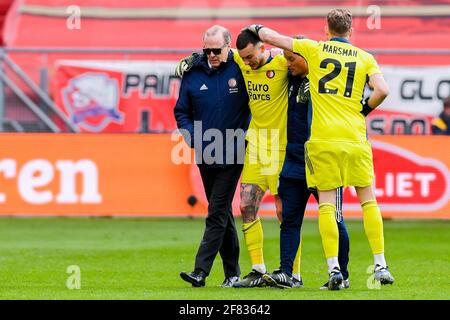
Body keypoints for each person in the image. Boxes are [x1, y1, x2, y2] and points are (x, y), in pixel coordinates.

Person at [246, 8, 394, 290]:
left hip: (323, 139)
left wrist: (256, 26)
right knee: (368, 200)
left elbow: (272, 37)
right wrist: (363, 110)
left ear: (326, 29)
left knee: (326, 206)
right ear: (351, 31)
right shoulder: (365, 57)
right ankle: (380, 264)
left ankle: (335, 269)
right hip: (355, 137)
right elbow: (382, 90)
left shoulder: (314, 49)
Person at [263, 41, 350, 289]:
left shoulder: (326, 84)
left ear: (307, 58)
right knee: (289, 219)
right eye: (287, 59)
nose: (288, 64)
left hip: (321, 160)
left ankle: (342, 274)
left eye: (292, 60)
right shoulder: (291, 79)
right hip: (293, 160)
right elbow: (262, 57)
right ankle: (286, 273)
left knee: (334, 218)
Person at [175, 25, 250, 288]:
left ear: (228, 47)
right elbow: (181, 111)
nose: (212, 55)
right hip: (206, 153)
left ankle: (200, 271)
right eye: (207, 50)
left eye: (217, 50)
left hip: (234, 151)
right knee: (223, 213)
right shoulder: (193, 73)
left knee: (216, 211)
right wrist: (192, 138)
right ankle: (233, 274)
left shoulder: (241, 68)